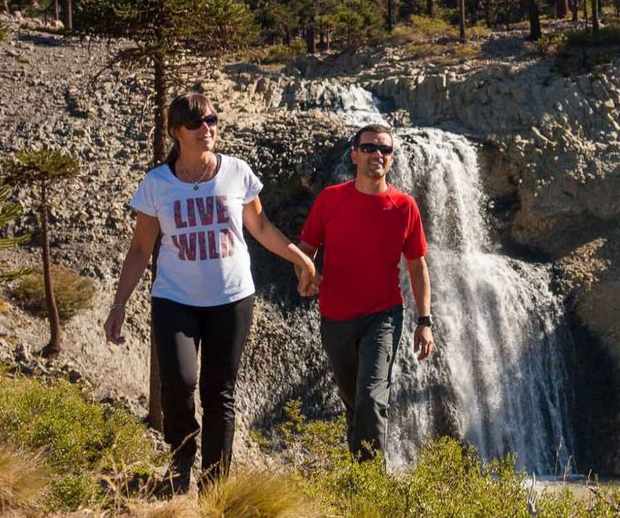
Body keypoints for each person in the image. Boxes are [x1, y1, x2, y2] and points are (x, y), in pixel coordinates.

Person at [104, 93, 316, 492]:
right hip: (174, 299)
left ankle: (214, 484)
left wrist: (301, 259)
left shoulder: (236, 171)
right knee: (179, 383)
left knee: (219, 392)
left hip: (232, 298)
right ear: (176, 132)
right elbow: (140, 249)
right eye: (196, 123)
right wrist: (119, 304)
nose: (207, 129)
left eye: (212, 120)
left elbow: (261, 228)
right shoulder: (157, 183)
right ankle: (180, 463)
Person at [296, 122, 435, 461]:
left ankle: (372, 481)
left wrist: (425, 320)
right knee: (354, 404)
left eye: (385, 149)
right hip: (335, 317)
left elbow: (417, 266)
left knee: (371, 399)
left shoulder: (405, 206)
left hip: (383, 316)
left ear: (392, 158)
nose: (377, 154)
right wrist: (306, 274)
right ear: (354, 155)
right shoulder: (331, 199)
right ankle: (360, 479)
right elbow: (305, 248)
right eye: (369, 147)